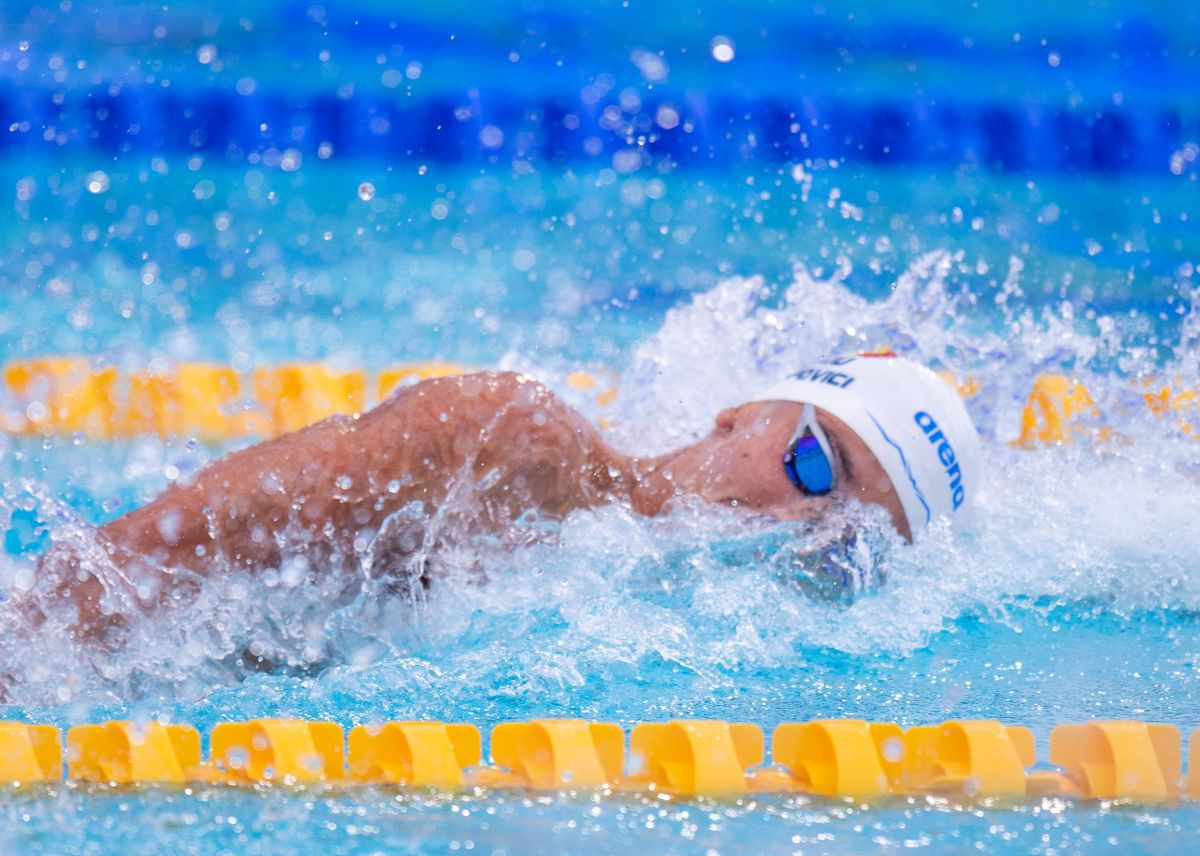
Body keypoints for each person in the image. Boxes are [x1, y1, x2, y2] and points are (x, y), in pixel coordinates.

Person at [35, 351, 980, 641]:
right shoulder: (501, 441)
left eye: (846, 543)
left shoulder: (658, 642)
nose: (796, 524)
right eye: (817, 469)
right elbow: (127, 561)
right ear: (740, 415)